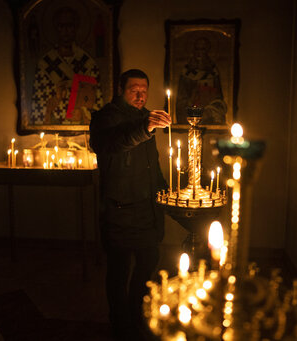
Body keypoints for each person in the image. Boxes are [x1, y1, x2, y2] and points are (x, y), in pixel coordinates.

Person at [89, 69, 171, 340]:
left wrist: (164, 191)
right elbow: (115, 142)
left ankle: (135, 312)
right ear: (120, 89)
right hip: (119, 209)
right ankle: (120, 322)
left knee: (149, 260)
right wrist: (145, 127)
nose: (140, 95)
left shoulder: (143, 117)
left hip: (146, 209)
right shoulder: (105, 118)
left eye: (144, 90)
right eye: (134, 89)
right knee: (119, 268)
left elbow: (151, 164)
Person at [30, 6, 103, 125]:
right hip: (53, 129)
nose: (65, 31)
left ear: (75, 28)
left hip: (80, 130)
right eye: (61, 26)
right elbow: (38, 103)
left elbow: (97, 103)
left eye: (69, 26)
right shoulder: (45, 63)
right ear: (56, 28)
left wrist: (83, 113)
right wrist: (51, 105)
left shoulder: (88, 63)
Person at [176, 36, 227, 125]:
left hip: (209, 113)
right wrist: (191, 99)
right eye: (197, 49)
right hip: (191, 114)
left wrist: (209, 103)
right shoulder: (186, 73)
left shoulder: (213, 72)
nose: (199, 53)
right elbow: (181, 100)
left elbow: (219, 99)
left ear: (207, 51)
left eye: (203, 49)